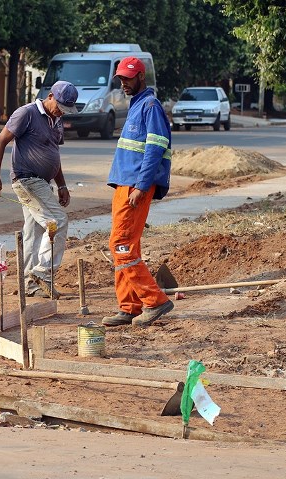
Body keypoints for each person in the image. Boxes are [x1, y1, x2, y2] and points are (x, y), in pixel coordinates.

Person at [0, 80, 78, 299]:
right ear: (50, 97)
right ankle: (43, 273)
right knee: (57, 221)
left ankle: (31, 284)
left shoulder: (56, 120)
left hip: (43, 183)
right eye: (60, 106)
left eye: (66, 110)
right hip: (27, 180)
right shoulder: (26, 113)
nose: (61, 112)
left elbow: (53, 155)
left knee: (33, 232)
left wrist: (62, 184)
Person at [102, 56, 174, 328]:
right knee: (123, 246)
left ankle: (154, 301)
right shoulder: (137, 105)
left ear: (141, 77)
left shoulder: (150, 106)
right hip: (125, 185)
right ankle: (129, 306)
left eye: (127, 79)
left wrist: (142, 186)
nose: (123, 84)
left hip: (135, 186)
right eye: (120, 79)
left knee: (122, 246)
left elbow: (155, 148)